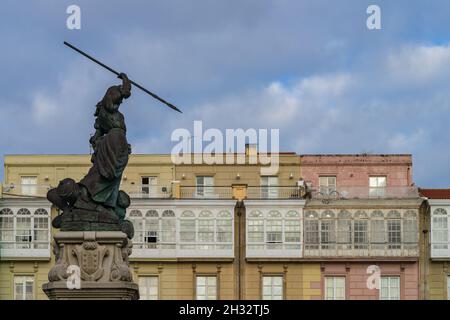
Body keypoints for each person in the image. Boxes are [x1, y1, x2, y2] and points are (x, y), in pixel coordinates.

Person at [79, 73, 132, 209]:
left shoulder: (104, 117)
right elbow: (125, 92)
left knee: (112, 174)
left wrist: (96, 143)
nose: (119, 102)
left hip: (118, 142)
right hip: (115, 141)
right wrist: (125, 79)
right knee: (109, 172)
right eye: (117, 100)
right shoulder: (109, 110)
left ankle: (106, 202)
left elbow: (96, 137)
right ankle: (90, 190)